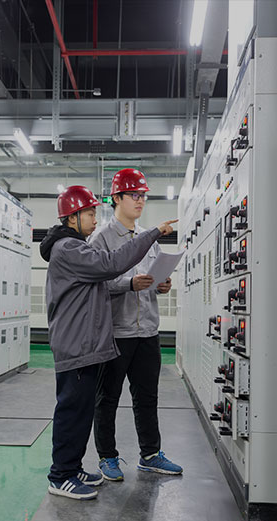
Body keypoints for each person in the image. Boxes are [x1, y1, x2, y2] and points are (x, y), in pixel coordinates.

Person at [39, 184, 176, 500]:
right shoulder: (69, 249)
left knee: (81, 411)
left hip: (85, 344)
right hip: (76, 344)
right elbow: (113, 264)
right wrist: (154, 233)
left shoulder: (75, 246)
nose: (93, 218)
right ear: (72, 217)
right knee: (72, 411)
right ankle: (60, 476)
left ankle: (72, 468)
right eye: (88, 213)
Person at [89, 169, 183, 481]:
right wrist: (129, 284)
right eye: (134, 195)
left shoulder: (148, 237)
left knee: (147, 397)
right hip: (116, 332)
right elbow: (95, 283)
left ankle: (151, 454)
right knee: (108, 398)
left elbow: (152, 276)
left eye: (143, 195)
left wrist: (161, 284)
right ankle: (107, 457)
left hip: (148, 331)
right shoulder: (101, 239)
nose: (140, 200)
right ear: (117, 198)